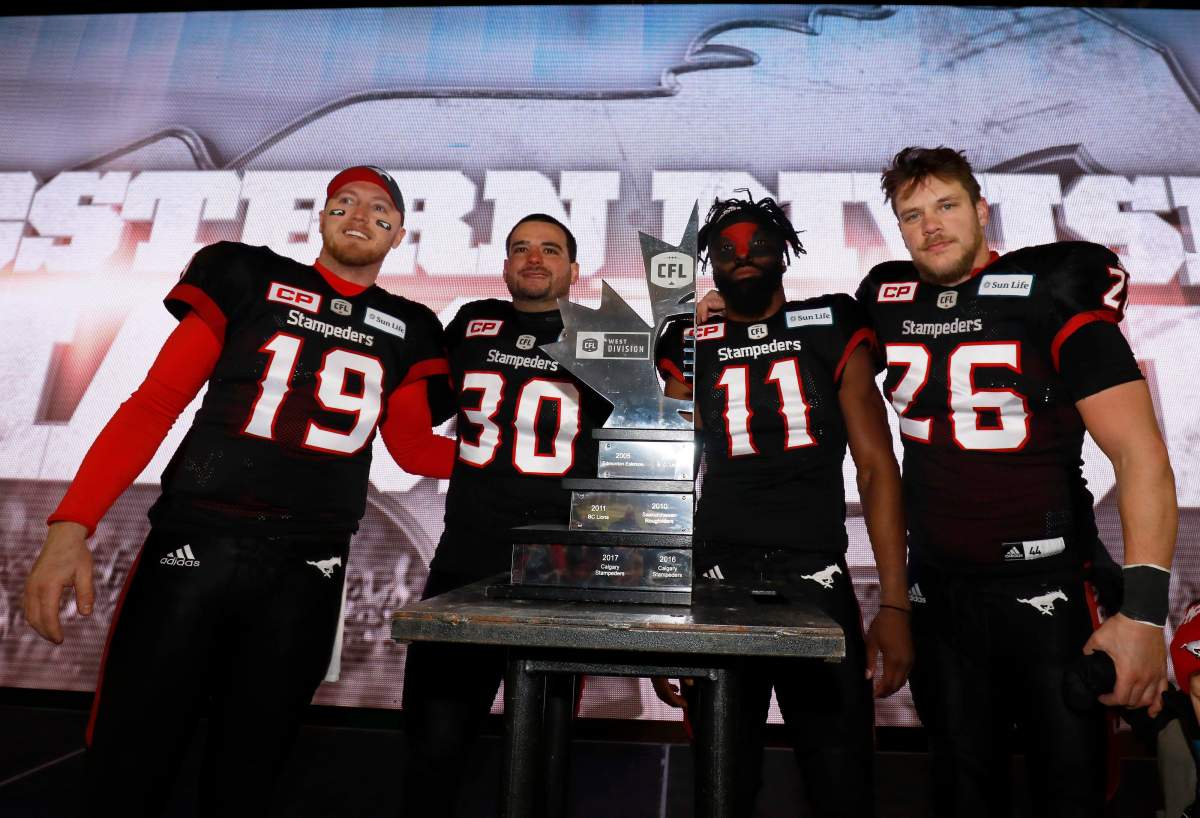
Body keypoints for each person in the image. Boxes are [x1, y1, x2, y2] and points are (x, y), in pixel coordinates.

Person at [22, 166, 453, 817]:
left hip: (309, 563)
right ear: (324, 216)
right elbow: (156, 401)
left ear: (397, 233)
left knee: (252, 766)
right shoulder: (247, 274)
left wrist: (537, 461)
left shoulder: (411, 325)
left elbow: (416, 449)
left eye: (379, 209)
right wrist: (70, 526)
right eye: (345, 202)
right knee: (130, 756)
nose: (360, 215)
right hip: (198, 542)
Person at [855, 146, 1177, 817]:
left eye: (946, 205)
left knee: (1071, 792)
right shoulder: (884, 299)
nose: (930, 225)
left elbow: (1139, 452)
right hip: (941, 596)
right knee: (960, 791)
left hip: (1050, 591)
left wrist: (1145, 612)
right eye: (911, 214)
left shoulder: (1050, 290)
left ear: (980, 208)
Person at [653, 193, 912, 817]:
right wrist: (662, 606)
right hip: (716, 576)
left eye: (758, 245)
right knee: (722, 784)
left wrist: (897, 604)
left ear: (785, 255)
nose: (743, 258)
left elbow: (877, 467)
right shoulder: (689, 339)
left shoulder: (832, 322)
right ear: (709, 264)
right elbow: (667, 471)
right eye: (726, 250)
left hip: (815, 574)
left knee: (841, 779)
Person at [400, 213, 611, 816]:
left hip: (561, 563)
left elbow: (644, 444)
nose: (534, 259)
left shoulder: (608, 336)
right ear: (505, 266)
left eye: (550, 249)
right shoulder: (473, 324)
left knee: (543, 748)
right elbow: (419, 416)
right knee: (435, 738)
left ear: (575, 269)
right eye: (520, 248)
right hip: (467, 550)